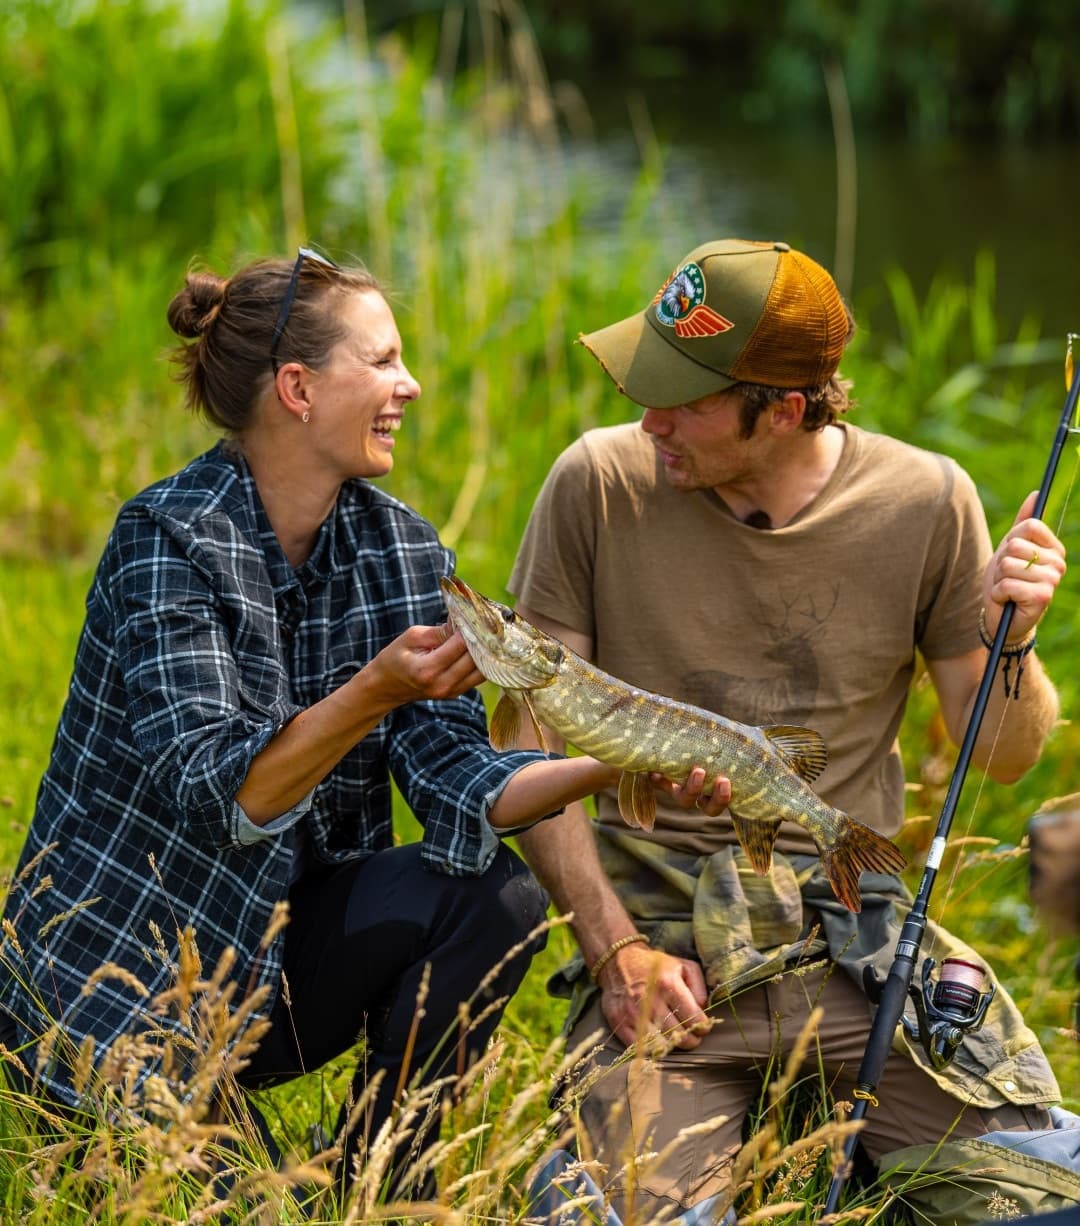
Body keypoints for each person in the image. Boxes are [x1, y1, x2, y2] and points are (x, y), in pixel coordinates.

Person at [0, 247, 624, 1196]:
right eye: (381, 361)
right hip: (111, 988)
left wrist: (609, 771)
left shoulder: (401, 547)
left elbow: (456, 771)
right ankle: (218, 1154)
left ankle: (378, 1189)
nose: (408, 386)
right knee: (204, 1201)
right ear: (297, 387)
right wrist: (372, 690)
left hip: (272, 963)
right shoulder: (166, 542)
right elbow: (226, 794)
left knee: (498, 899)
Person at [508, 238, 1067, 1219]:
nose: (651, 420)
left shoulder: (926, 499)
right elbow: (527, 746)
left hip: (856, 945)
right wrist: (613, 950)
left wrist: (1011, 639)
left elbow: (1005, 750)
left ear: (788, 406)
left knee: (1040, 1191)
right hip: (667, 971)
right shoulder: (596, 483)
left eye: (685, 398)